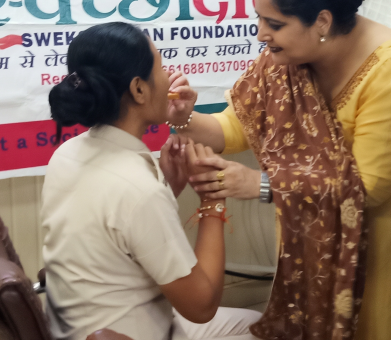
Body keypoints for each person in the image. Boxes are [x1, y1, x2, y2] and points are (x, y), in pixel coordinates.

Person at [166, 0, 391, 339]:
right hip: (306, 240)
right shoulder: (286, 58)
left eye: (274, 24)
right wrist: (184, 119)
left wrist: (260, 185)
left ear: (322, 21)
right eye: (259, 19)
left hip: (369, 250)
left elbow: (371, 187)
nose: (261, 34)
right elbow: (235, 127)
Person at [41, 22, 261, 340]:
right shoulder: (136, 189)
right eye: (160, 66)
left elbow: (122, 232)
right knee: (273, 332)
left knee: (254, 323)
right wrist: (212, 200)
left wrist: (169, 182)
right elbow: (201, 306)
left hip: (84, 324)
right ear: (139, 89)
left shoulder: (67, 154)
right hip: (133, 332)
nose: (169, 75)